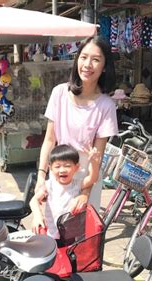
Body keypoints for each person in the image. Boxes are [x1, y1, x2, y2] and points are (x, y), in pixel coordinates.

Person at [35, 36, 118, 213]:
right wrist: (41, 177)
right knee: (55, 230)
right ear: (77, 59)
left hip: (87, 177)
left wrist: (85, 193)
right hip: (60, 173)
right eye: (83, 57)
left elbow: (98, 155)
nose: (88, 64)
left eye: (96, 60)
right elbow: (49, 140)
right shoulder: (59, 93)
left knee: (83, 235)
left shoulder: (106, 106)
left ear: (104, 67)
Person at [30, 144, 100, 239]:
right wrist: (37, 216)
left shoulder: (77, 184)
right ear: (50, 168)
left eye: (67, 166)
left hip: (69, 235)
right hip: (51, 233)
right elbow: (33, 201)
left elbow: (93, 178)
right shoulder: (49, 185)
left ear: (77, 167)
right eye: (57, 166)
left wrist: (94, 162)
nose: (62, 170)